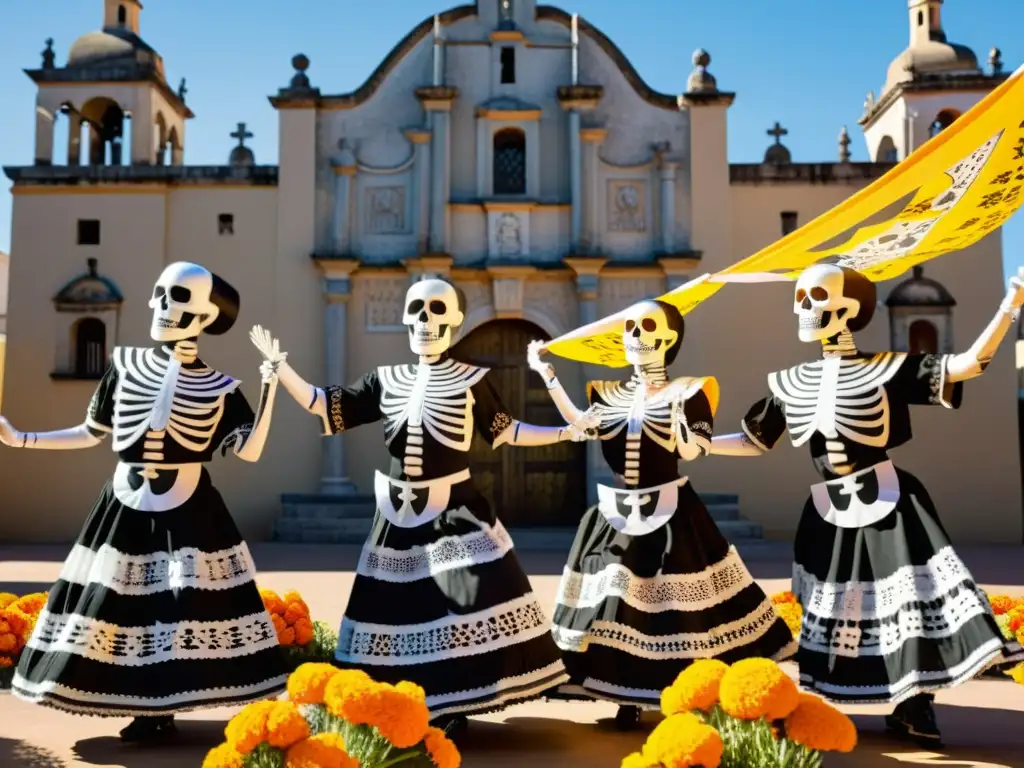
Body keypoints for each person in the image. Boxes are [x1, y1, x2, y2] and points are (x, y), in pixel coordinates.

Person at [250, 277, 592, 738]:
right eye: (418, 310)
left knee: (463, 600)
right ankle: (396, 701)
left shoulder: (472, 379)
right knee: (395, 608)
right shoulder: (385, 380)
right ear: (405, 319)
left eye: (437, 311)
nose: (426, 321)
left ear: (453, 323)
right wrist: (281, 369)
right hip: (395, 516)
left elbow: (506, 430)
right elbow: (324, 404)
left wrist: (564, 433)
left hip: (453, 508)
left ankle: (455, 701)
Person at [710, 263, 1024, 747]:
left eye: (814, 296)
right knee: (833, 606)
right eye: (800, 297)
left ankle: (915, 705)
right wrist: (700, 443)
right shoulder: (792, 380)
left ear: (849, 309)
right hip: (829, 508)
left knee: (908, 604)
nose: (803, 308)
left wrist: (1010, 307)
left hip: (891, 500)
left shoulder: (888, 367)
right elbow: (755, 440)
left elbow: (964, 365)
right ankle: (831, 693)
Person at [1, 262, 288, 744]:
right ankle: (131, 702)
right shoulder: (124, 364)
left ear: (204, 316)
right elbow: (91, 432)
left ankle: (164, 708)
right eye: (159, 294)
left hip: (191, 506)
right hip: (123, 503)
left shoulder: (221, 388)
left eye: (176, 297)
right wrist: (22, 438)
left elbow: (250, 449)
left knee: (181, 610)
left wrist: (270, 388)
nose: (161, 306)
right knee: (116, 608)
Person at [528, 298, 797, 730]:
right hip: (616, 513)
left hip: (672, 513)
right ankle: (624, 694)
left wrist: (683, 423)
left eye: (647, 326)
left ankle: (693, 692)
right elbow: (581, 425)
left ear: (669, 339)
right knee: (617, 608)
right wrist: (548, 376)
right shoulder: (608, 393)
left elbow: (692, 451)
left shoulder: (691, 391)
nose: (635, 335)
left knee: (678, 612)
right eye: (630, 327)